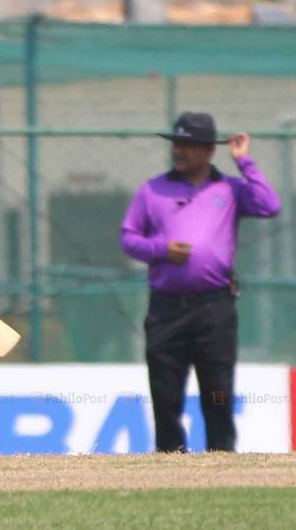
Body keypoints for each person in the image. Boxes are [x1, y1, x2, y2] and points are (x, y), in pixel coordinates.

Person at [119, 112, 281, 453]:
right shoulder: (152, 191)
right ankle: (170, 459)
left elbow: (270, 205)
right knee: (166, 391)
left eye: (188, 145)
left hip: (214, 308)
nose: (179, 151)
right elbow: (128, 239)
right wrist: (161, 249)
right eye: (176, 143)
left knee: (217, 389)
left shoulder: (230, 190)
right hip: (167, 309)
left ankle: (221, 457)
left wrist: (245, 162)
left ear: (208, 150)